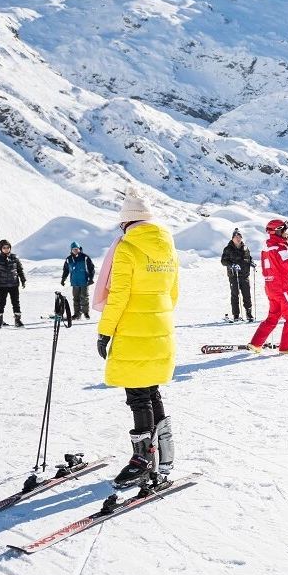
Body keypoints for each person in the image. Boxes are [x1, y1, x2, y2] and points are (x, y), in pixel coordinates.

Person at [95, 187, 180, 488]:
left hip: (133, 330)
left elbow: (118, 295)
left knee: (138, 395)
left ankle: (142, 461)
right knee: (151, 390)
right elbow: (173, 293)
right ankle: (165, 456)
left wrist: (105, 331)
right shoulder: (167, 246)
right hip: (161, 330)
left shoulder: (127, 248)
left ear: (127, 221)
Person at [250, 219, 288, 354]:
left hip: (270, 288)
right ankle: (287, 347)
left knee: (273, 317)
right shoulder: (281, 247)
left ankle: (256, 344)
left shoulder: (266, 248)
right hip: (283, 288)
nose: (286, 233)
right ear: (278, 231)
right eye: (284, 230)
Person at [0, 239, 26, 328]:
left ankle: (17, 320)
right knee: (1, 303)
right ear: (1, 248)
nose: (6, 249)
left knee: (16, 303)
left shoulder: (15, 258)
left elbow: (20, 270)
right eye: (4, 247)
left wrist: (23, 280)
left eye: (8, 247)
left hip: (14, 284)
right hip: (2, 285)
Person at [221, 228, 254, 322]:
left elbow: (248, 258)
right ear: (232, 238)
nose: (238, 238)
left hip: (245, 275)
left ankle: (249, 314)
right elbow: (223, 261)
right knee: (235, 295)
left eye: (239, 237)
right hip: (233, 276)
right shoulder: (228, 249)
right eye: (236, 237)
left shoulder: (245, 248)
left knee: (247, 295)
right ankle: (236, 315)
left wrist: (251, 263)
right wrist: (232, 265)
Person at [61, 241, 96, 320]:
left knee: (84, 297)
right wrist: (63, 279)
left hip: (84, 281)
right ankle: (77, 314)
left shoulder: (85, 257)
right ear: (71, 250)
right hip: (74, 282)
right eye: (74, 249)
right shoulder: (69, 259)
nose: (75, 250)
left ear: (79, 249)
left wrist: (91, 278)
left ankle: (86, 313)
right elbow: (66, 270)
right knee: (76, 298)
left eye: (76, 249)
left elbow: (91, 268)